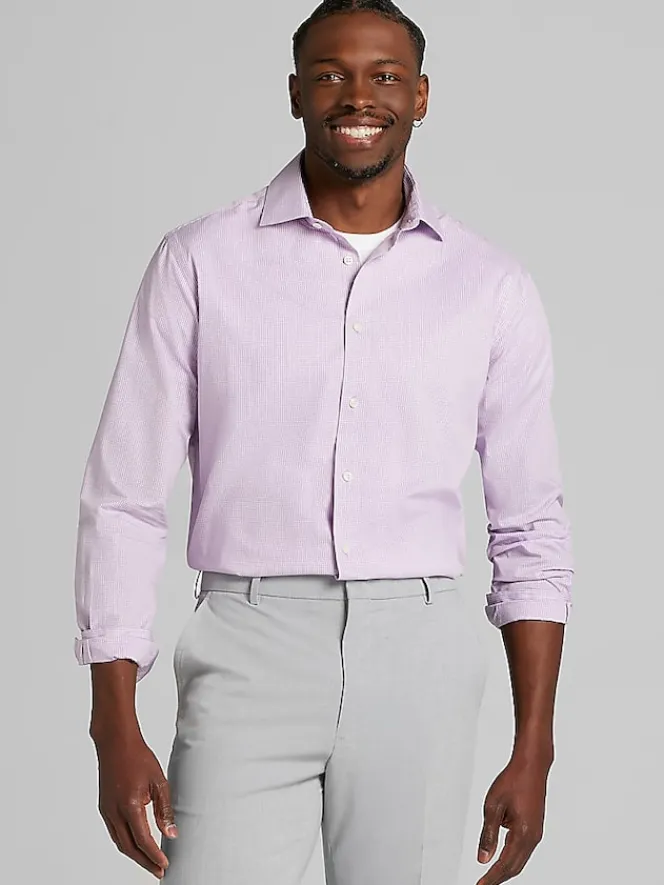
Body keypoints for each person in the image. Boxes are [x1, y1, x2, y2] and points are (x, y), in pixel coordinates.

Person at [73, 2, 574, 883]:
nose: (358, 96)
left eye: (385, 76)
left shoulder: (489, 285)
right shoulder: (200, 261)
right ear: (295, 92)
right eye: (331, 73)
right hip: (246, 641)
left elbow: (529, 524)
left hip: (419, 655)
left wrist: (535, 743)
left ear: (421, 97)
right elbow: (124, 499)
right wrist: (111, 722)